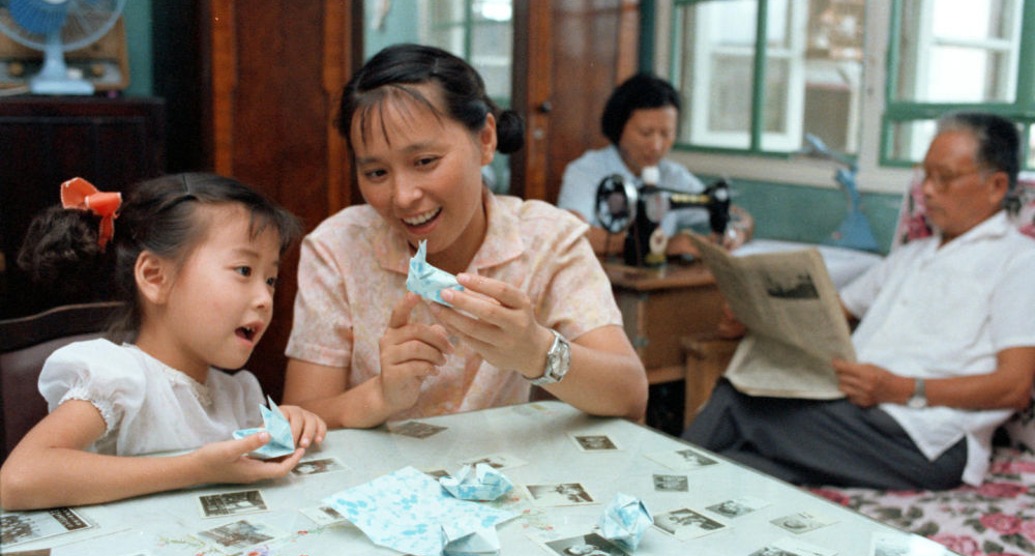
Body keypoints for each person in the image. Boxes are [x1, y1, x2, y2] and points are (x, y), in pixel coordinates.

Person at [282, 43, 648, 428]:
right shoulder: (337, 248)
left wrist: (536, 351)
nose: (403, 197)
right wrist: (380, 395)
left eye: (425, 162)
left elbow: (631, 396)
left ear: (485, 139)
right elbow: (303, 416)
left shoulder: (548, 240)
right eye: (376, 173)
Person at [683, 111, 1035, 490]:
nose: (928, 191)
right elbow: (828, 312)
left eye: (944, 178)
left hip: (929, 439)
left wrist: (901, 389)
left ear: (996, 186)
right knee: (736, 467)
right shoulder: (911, 256)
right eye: (925, 176)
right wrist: (754, 316)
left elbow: (1013, 386)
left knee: (742, 403)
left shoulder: (1018, 261)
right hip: (853, 416)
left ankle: (647, 489)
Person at [0, 173, 327, 511]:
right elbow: (18, 479)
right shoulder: (119, 379)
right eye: (244, 270)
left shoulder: (239, 394)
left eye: (270, 279)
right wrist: (193, 469)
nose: (264, 298)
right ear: (155, 277)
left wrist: (291, 425)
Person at [556, 72, 754, 257]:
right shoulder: (586, 171)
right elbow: (573, 235)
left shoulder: (673, 175)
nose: (656, 146)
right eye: (646, 133)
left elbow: (737, 215)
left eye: (666, 134)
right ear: (618, 127)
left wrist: (736, 232)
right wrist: (663, 245)